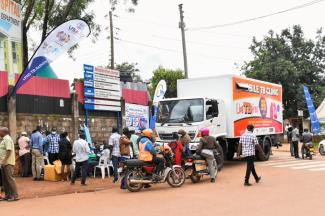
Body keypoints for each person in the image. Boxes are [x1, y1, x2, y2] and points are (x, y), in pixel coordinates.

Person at [0, 127, 19, 201]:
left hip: (7, 163)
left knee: (10, 179)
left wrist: (4, 161)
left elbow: (9, 150)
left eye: (0, 131)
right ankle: (8, 195)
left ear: (3, 132)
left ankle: (15, 196)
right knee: (5, 180)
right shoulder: (4, 139)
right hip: (4, 163)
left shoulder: (7, 139)